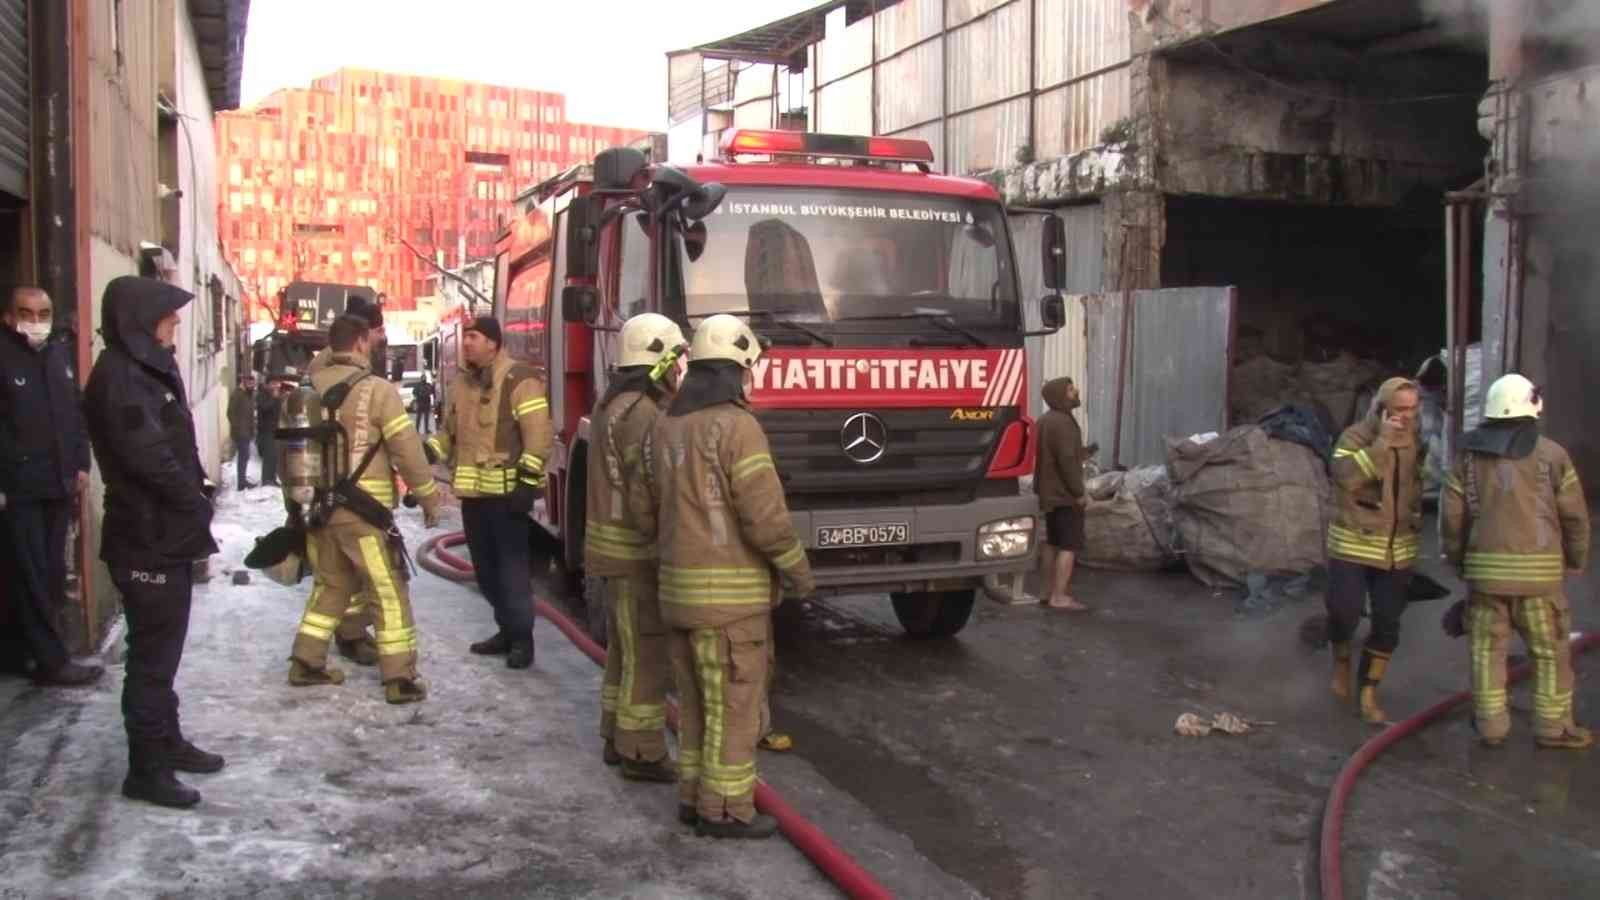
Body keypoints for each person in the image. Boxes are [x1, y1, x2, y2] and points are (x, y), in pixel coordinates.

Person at [627, 314, 814, 839]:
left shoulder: (665, 425)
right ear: (735, 371)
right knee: (733, 708)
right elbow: (765, 519)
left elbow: (643, 511)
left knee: (693, 708)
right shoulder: (738, 427)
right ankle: (726, 811)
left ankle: (692, 799)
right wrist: (798, 572)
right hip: (731, 608)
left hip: (677, 598)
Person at [82, 276, 222, 809]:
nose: (177, 322)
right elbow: (150, 458)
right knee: (152, 659)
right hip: (146, 537)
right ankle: (146, 768)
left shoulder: (144, 369)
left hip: (164, 533)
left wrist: (193, 493)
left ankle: (167, 742)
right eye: (168, 314)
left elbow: (171, 445)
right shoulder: (121, 378)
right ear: (141, 319)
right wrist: (193, 500)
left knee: (163, 650)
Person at [287, 315, 441, 703]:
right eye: (370, 341)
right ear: (358, 343)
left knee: (332, 585)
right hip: (363, 513)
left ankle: (306, 662)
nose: (372, 346)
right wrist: (427, 496)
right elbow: (406, 449)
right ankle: (400, 679)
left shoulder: (308, 388)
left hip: (318, 510)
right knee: (387, 589)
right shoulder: (377, 390)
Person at [1442, 373, 1591, 749]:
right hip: (1540, 584)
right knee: (1550, 653)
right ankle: (1553, 729)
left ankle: (1491, 728)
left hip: (1486, 582)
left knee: (1486, 653)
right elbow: (1574, 516)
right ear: (1532, 408)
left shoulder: (1468, 458)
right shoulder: (1554, 455)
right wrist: (1576, 558)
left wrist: (1461, 562)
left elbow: (1452, 518)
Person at [586, 313, 686, 782]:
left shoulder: (612, 405)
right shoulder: (646, 414)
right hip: (636, 554)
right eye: (675, 360)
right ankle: (641, 751)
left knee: (623, 653)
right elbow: (650, 488)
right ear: (658, 361)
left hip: (610, 551)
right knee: (647, 654)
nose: (678, 370)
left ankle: (614, 733)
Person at [425, 316, 552, 670]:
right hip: (475, 499)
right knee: (486, 572)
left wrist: (527, 483)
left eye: (474, 337)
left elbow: (538, 436)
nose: (466, 343)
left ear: (493, 343)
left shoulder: (520, 380)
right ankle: (506, 631)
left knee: (512, 571)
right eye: (465, 337)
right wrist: (427, 452)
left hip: (508, 499)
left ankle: (522, 641)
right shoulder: (462, 384)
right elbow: (449, 434)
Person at [0, 285, 101, 685]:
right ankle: (51, 661)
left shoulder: (57, 354)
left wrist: (79, 463)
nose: (36, 321)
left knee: (51, 573)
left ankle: (23, 652)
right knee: (31, 575)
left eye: (44, 313)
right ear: (9, 316)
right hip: (19, 486)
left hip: (57, 483)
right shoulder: (5, 357)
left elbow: (73, 412)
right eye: (27, 312)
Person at [1325, 376, 1426, 725]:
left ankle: (1368, 690)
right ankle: (1340, 659)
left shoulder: (1418, 441)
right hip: (1353, 544)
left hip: (1397, 549)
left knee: (1387, 624)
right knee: (1344, 613)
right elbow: (1346, 477)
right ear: (1381, 409)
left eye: (1413, 408)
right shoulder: (1354, 437)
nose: (1407, 416)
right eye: (1400, 409)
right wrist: (1383, 442)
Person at [1035, 377, 1088, 611]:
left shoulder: (1045, 420)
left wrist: (1084, 452)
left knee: (1052, 542)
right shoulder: (1064, 422)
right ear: (1059, 395)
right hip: (1064, 494)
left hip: (1048, 493)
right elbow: (1066, 460)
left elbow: (1055, 454)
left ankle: (1046, 591)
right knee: (1069, 544)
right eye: (1069, 389)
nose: (1075, 391)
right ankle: (1060, 596)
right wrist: (1079, 492)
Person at [255, 373, 287, 487]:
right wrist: (274, 398)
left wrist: (280, 399)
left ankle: (272, 478)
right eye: (273, 383)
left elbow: (278, 411)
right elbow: (264, 408)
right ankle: (266, 480)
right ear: (267, 384)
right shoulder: (262, 394)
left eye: (277, 383)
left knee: (274, 456)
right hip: (266, 430)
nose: (276, 386)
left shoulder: (276, 395)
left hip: (275, 429)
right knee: (268, 455)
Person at [227, 372, 258, 490]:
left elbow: (250, 414)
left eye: (253, 384)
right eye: (250, 383)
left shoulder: (248, 394)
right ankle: (241, 483)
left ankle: (243, 480)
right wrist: (237, 428)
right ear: (244, 383)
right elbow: (230, 413)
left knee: (245, 457)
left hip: (246, 431)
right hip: (241, 432)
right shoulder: (237, 395)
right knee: (243, 457)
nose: (252, 386)